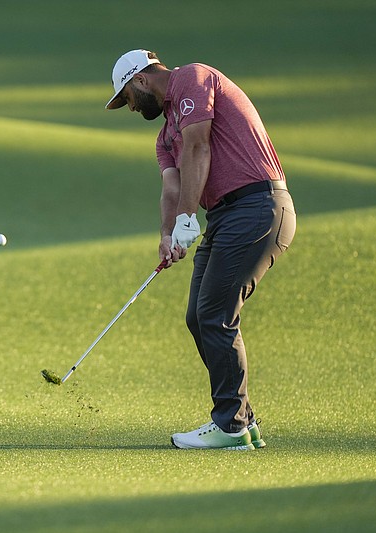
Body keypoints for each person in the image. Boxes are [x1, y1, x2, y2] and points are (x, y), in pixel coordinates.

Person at [105, 50, 296, 450]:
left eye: (127, 98)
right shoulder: (163, 137)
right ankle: (243, 420)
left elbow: (199, 147)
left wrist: (188, 218)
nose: (130, 107)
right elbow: (172, 186)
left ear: (140, 79)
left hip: (258, 206)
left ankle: (230, 426)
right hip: (227, 218)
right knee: (198, 315)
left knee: (214, 313)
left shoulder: (192, 78)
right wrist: (167, 232)